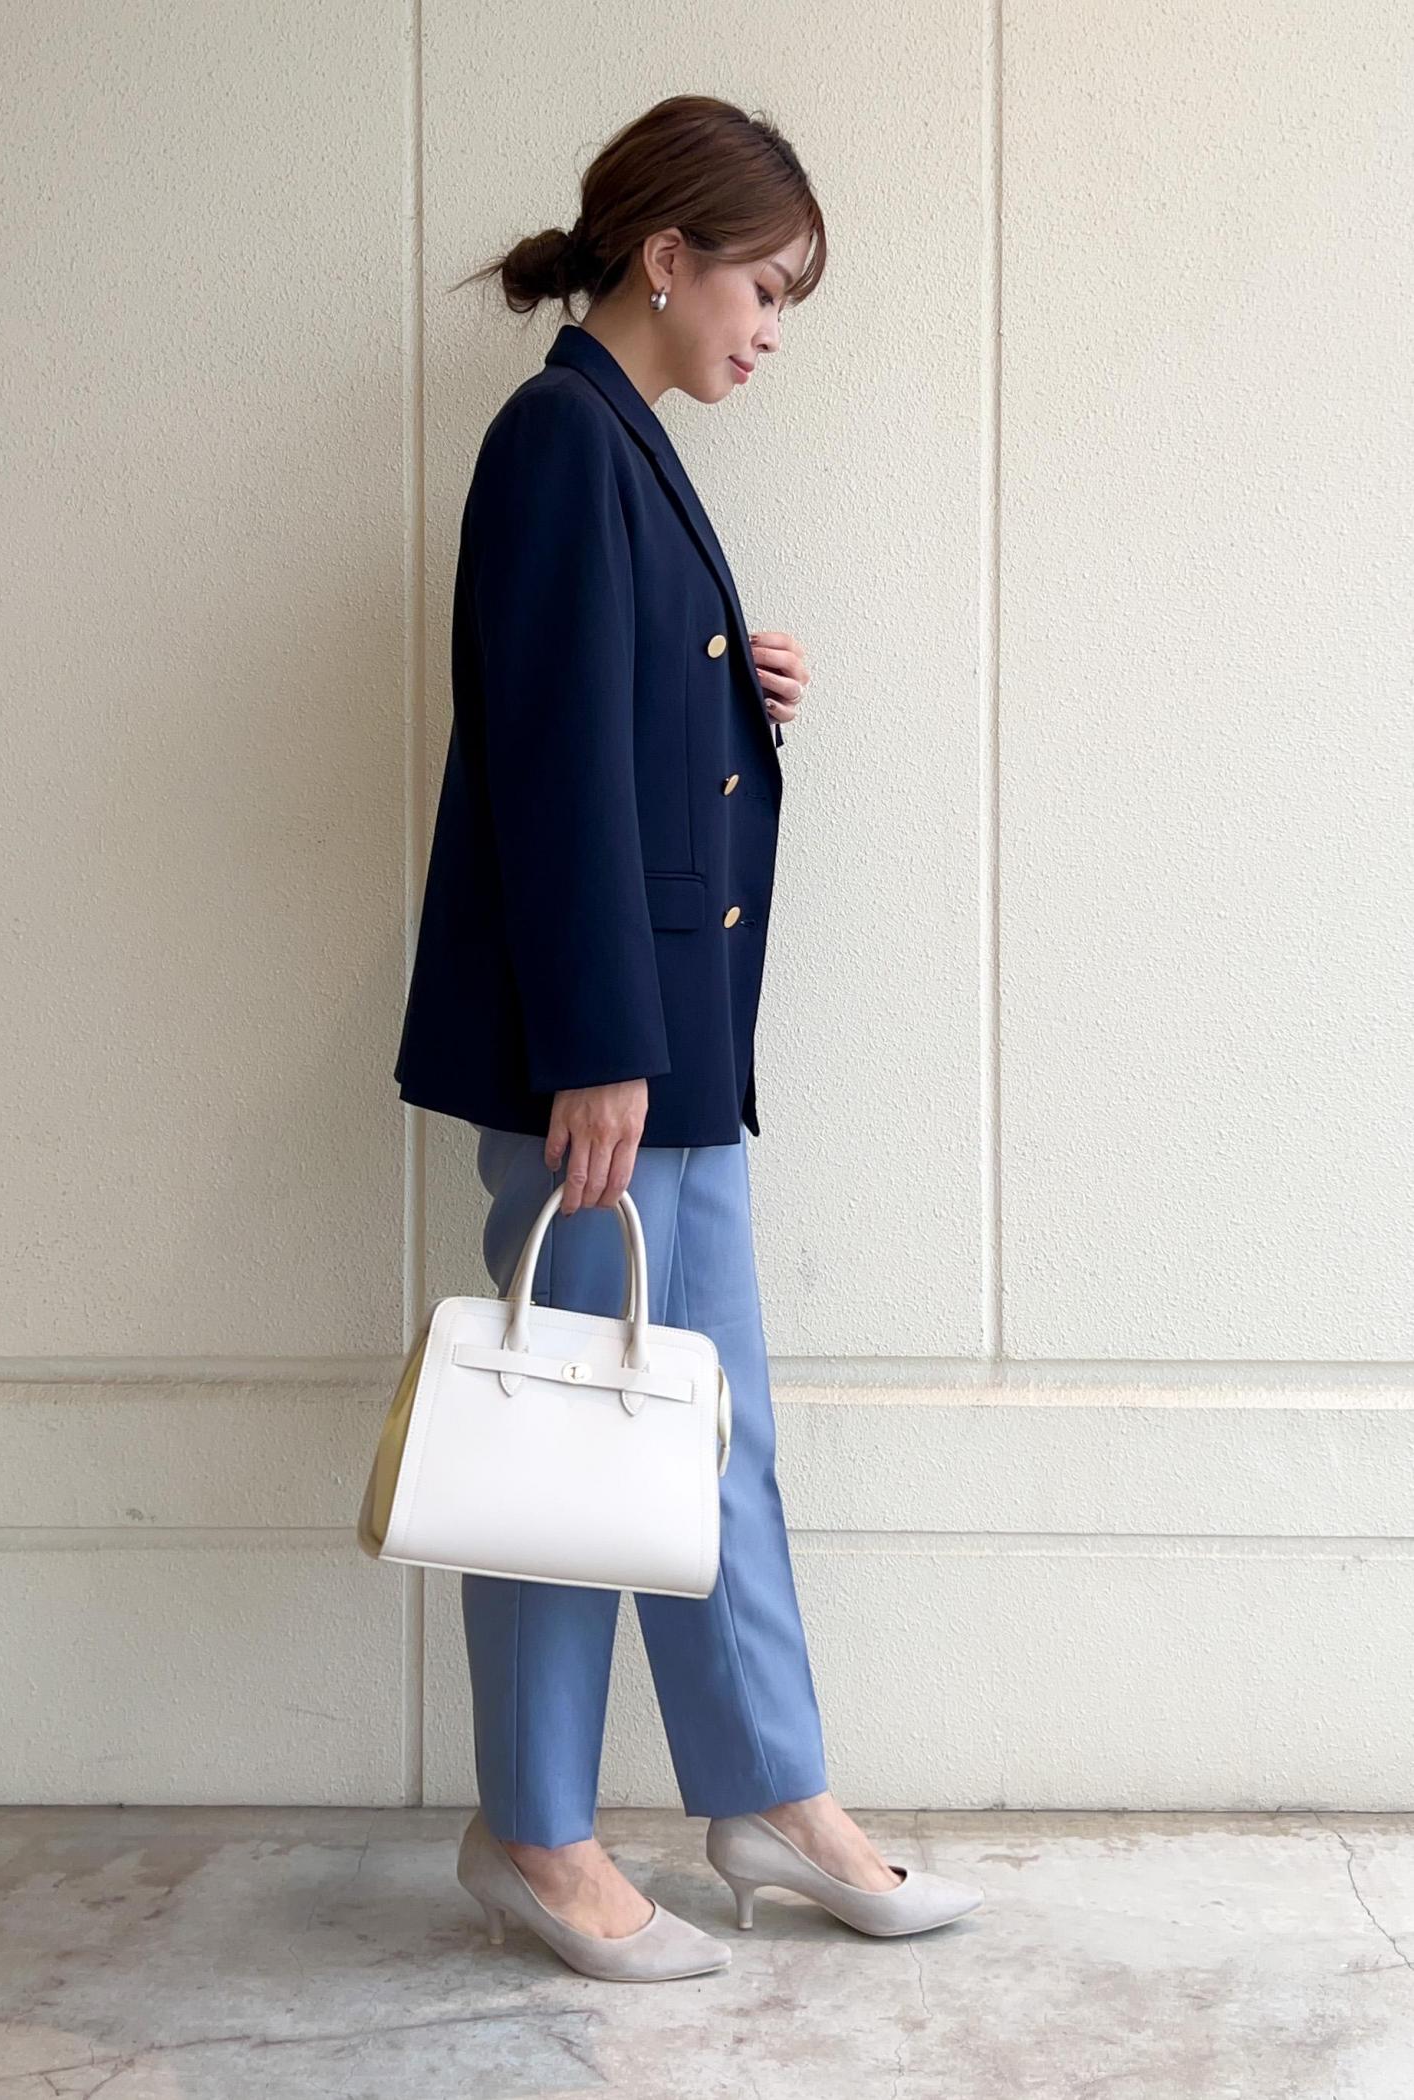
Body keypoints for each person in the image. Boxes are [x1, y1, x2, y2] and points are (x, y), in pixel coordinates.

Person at [394, 93, 983, 1981]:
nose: (772, 331)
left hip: (667, 1048)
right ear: (668, 258)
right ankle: (541, 1837)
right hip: (612, 1059)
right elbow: (549, 767)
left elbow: (623, 711)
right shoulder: (561, 440)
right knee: (576, 1439)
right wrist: (596, 1047)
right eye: (765, 287)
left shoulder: (616, 441)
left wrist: (739, 688)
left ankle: (765, 1791)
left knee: (691, 1435)